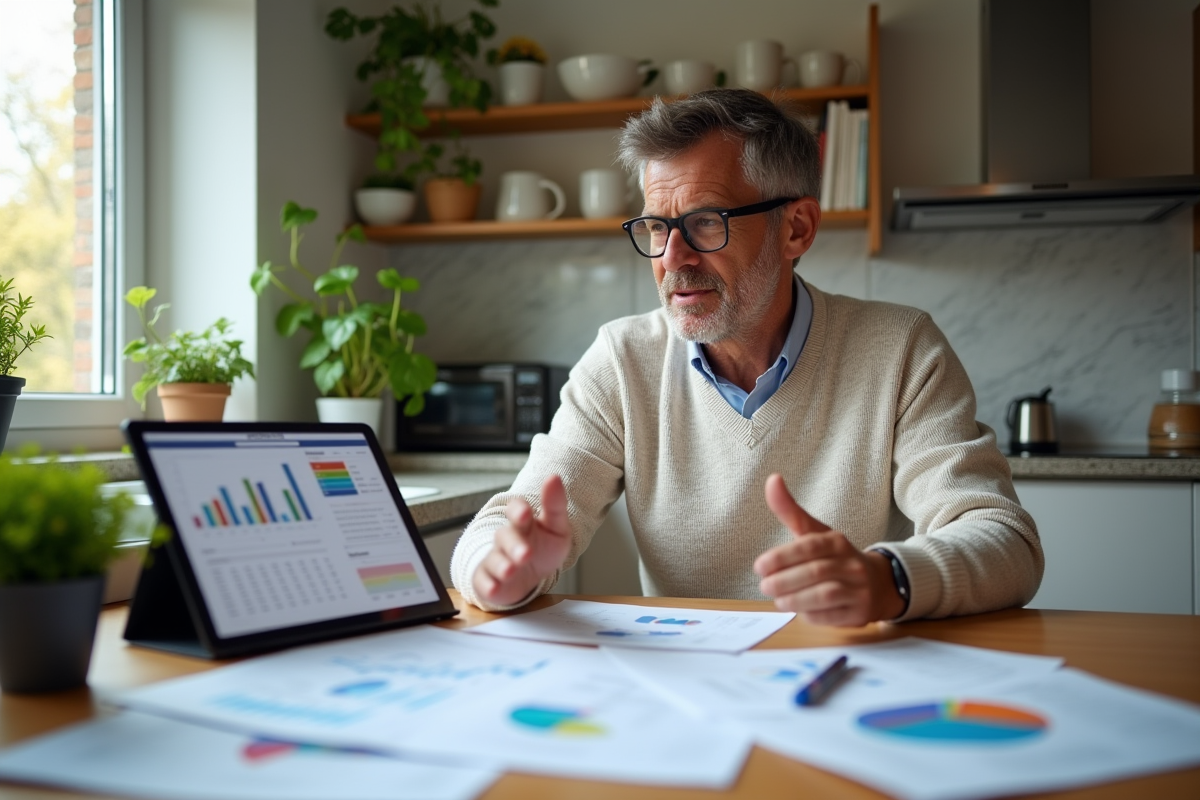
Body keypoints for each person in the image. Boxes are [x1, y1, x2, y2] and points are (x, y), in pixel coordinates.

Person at [450, 89, 1042, 626]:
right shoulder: (623, 358)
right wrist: (498, 570)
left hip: (844, 672)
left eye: (706, 222)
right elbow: (510, 522)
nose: (672, 257)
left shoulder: (900, 349)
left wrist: (889, 579)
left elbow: (1004, 541)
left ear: (797, 229)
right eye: (658, 227)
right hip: (688, 693)